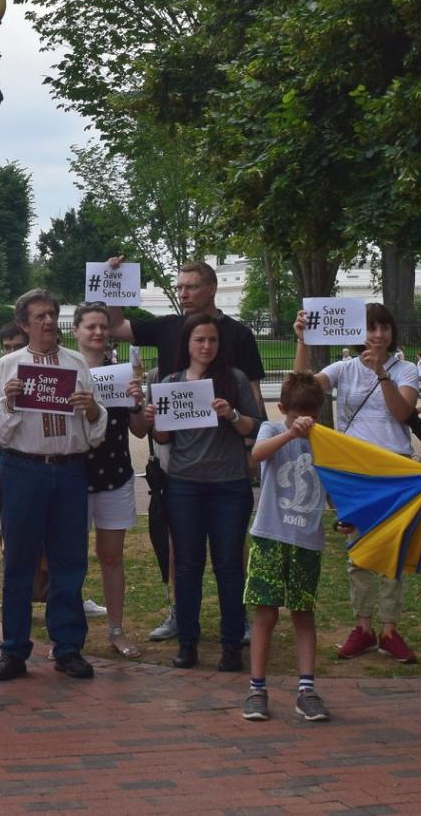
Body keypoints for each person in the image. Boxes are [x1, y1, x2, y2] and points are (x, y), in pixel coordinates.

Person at [104, 258, 266, 643]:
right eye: (179, 287)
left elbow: (254, 399)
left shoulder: (238, 335)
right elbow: (115, 326)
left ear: (211, 288)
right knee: (180, 541)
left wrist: (251, 447)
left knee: (231, 544)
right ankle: (179, 611)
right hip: (174, 450)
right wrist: (113, 282)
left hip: (226, 453)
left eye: (190, 286)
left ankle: (238, 615)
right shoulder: (166, 326)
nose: (183, 293)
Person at [0, 288, 107, 682]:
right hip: (23, 468)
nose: (50, 322)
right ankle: (14, 649)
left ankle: (68, 646)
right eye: (40, 316)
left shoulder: (76, 363)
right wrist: (10, 403)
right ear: (24, 324)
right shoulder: (8, 365)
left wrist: (91, 411)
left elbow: (94, 433)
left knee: (69, 560)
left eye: (53, 314)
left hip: (70, 468)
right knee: (19, 560)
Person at [293, 305, 421, 665]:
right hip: (354, 473)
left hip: (394, 471)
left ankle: (390, 630)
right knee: (359, 552)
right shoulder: (342, 369)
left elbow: (403, 413)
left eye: (384, 327)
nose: (378, 335)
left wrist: (381, 374)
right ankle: (363, 627)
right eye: (371, 328)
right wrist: (302, 341)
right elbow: (301, 390)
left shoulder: (406, 370)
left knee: (392, 552)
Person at [150, 312, 264, 673]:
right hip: (185, 485)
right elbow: (164, 438)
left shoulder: (234, 379)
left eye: (212, 340)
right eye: (199, 340)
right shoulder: (172, 382)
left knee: (229, 566)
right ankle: (188, 644)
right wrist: (155, 420)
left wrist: (231, 415)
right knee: (187, 566)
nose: (206, 346)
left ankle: (232, 646)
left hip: (230, 486)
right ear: (187, 343)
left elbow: (256, 427)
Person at [241, 373, 331, 723]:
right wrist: (291, 433)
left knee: (303, 612)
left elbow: (339, 477)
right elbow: (257, 456)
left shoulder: (325, 440)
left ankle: (307, 689)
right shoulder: (272, 430)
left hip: (307, 541)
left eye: (312, 415)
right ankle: (257, 688)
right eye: (296, 415)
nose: (306, 422)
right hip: (269, 535)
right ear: (283, 410)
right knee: (265, 613)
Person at [73, 304, 148, 658]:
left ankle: (116, 630)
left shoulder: (122, 373)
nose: (99, 333)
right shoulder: (66, 371)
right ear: (76, 331)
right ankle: (71, 630)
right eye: (91, 326)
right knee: (71, 557)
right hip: (72, 474)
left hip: (115, 473)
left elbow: (138, 430)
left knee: (112, 556)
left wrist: (137, 404)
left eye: (103, 327)